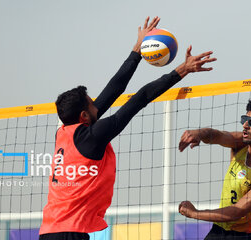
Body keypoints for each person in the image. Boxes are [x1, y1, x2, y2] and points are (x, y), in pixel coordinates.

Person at [38, 16, 216, 240]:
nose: (97, 103)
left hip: (49, 231)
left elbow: (114, 88)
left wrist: (137, 50)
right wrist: (181, 70)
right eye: (92, 103)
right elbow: (139, 98)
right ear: (84, 116)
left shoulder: (63, 133)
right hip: (69, 234)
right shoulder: (93, 136)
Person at [178, 99, 251, 240]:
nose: (245, 126)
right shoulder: (240, 144)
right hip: (218, 231)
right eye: (244, 119)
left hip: (247, 236)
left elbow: (236, 211)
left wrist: (194, 213)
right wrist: (199, 133)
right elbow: (217, 135)